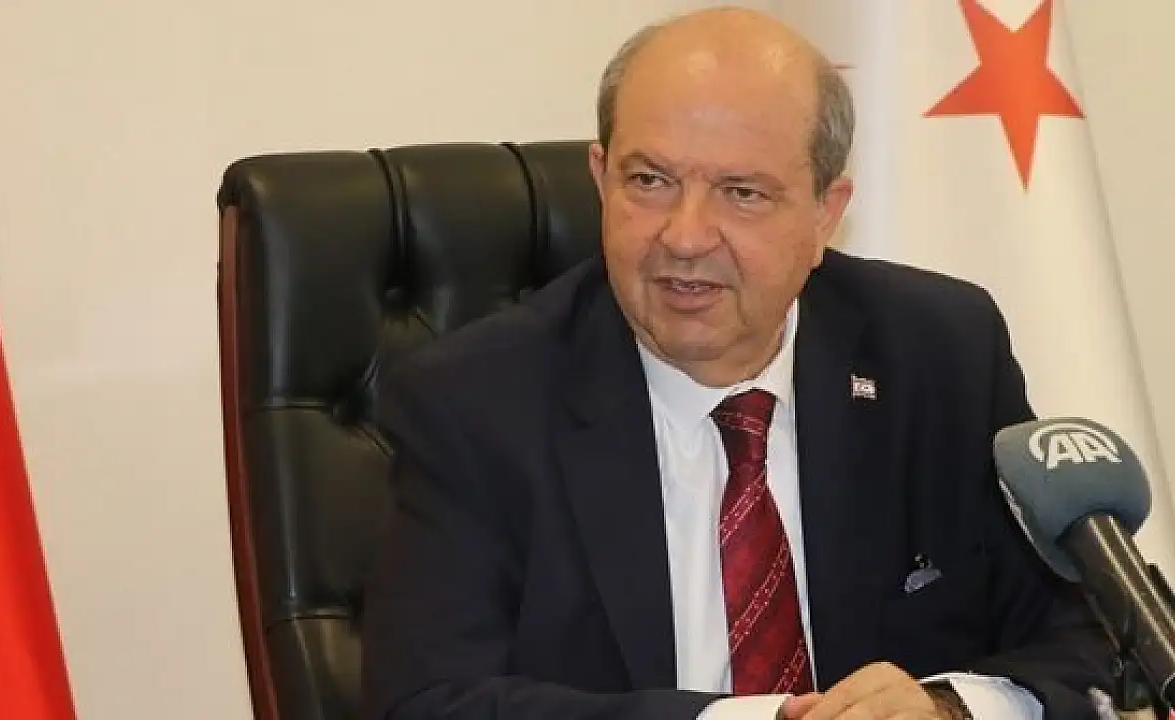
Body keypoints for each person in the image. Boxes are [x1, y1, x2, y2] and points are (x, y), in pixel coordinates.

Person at [361, 7, 1113, 720]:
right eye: (649, 181)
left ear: (825, 213)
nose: (685, 237)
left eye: (742, 193)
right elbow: (430, 702)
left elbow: (1100, 638)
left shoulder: (937, 355)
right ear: (600, 177)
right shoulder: (476, 403)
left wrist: (947, 707)